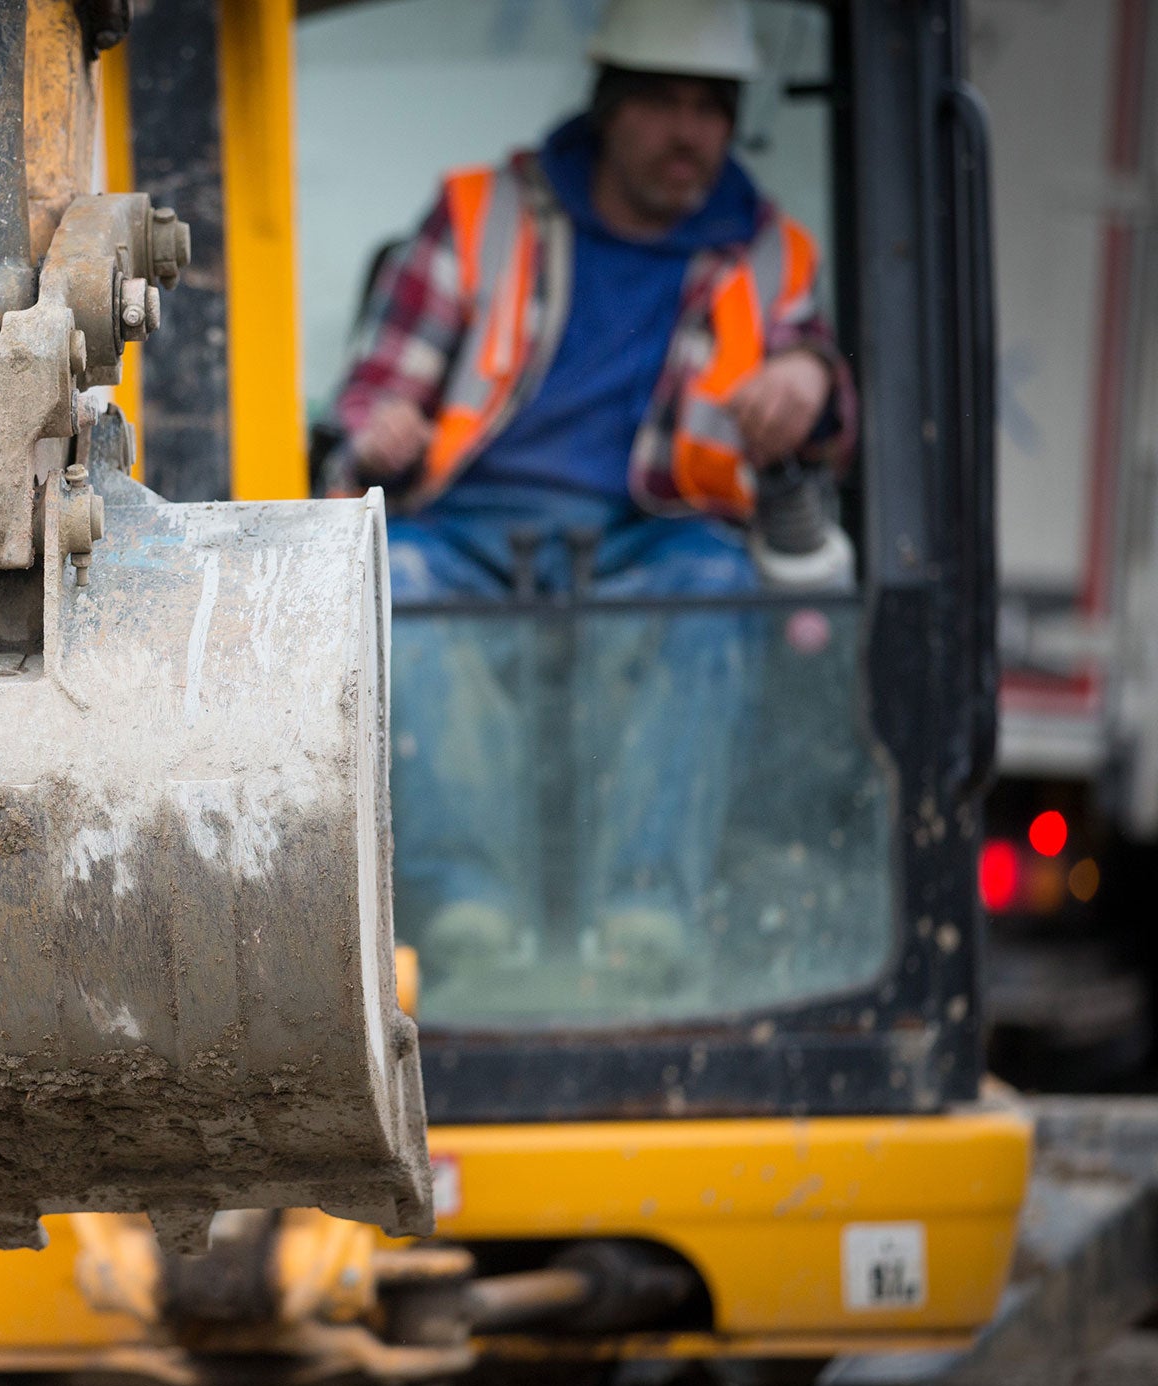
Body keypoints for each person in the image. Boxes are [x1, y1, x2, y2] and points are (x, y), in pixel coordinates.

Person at [330, 0, 856, 999]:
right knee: (395, 584)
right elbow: (378, 392)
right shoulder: (483, 215)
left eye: (709, 106)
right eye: (660, 102)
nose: (686, 131)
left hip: (649, 537)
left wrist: (810, 384)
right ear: (607, 108)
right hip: (467, 529)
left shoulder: (767, 253)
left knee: (713, 587)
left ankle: (646, 914)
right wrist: (381, 430)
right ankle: (462, 911)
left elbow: (819, 392)